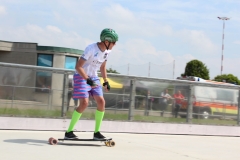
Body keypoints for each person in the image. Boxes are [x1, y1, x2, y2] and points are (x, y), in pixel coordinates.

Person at [64, 28, 118, 139]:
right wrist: (87, 79)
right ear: (106, 42)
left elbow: (103, 67)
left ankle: (97, 133)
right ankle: (69, 132)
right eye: (114, 42)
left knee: (101, 102)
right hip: (81, 76)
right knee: (84, 103)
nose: (115, 44)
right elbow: (78, 66)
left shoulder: (107, 52)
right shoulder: (91, 49)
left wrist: (105, 81)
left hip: (94, 77)